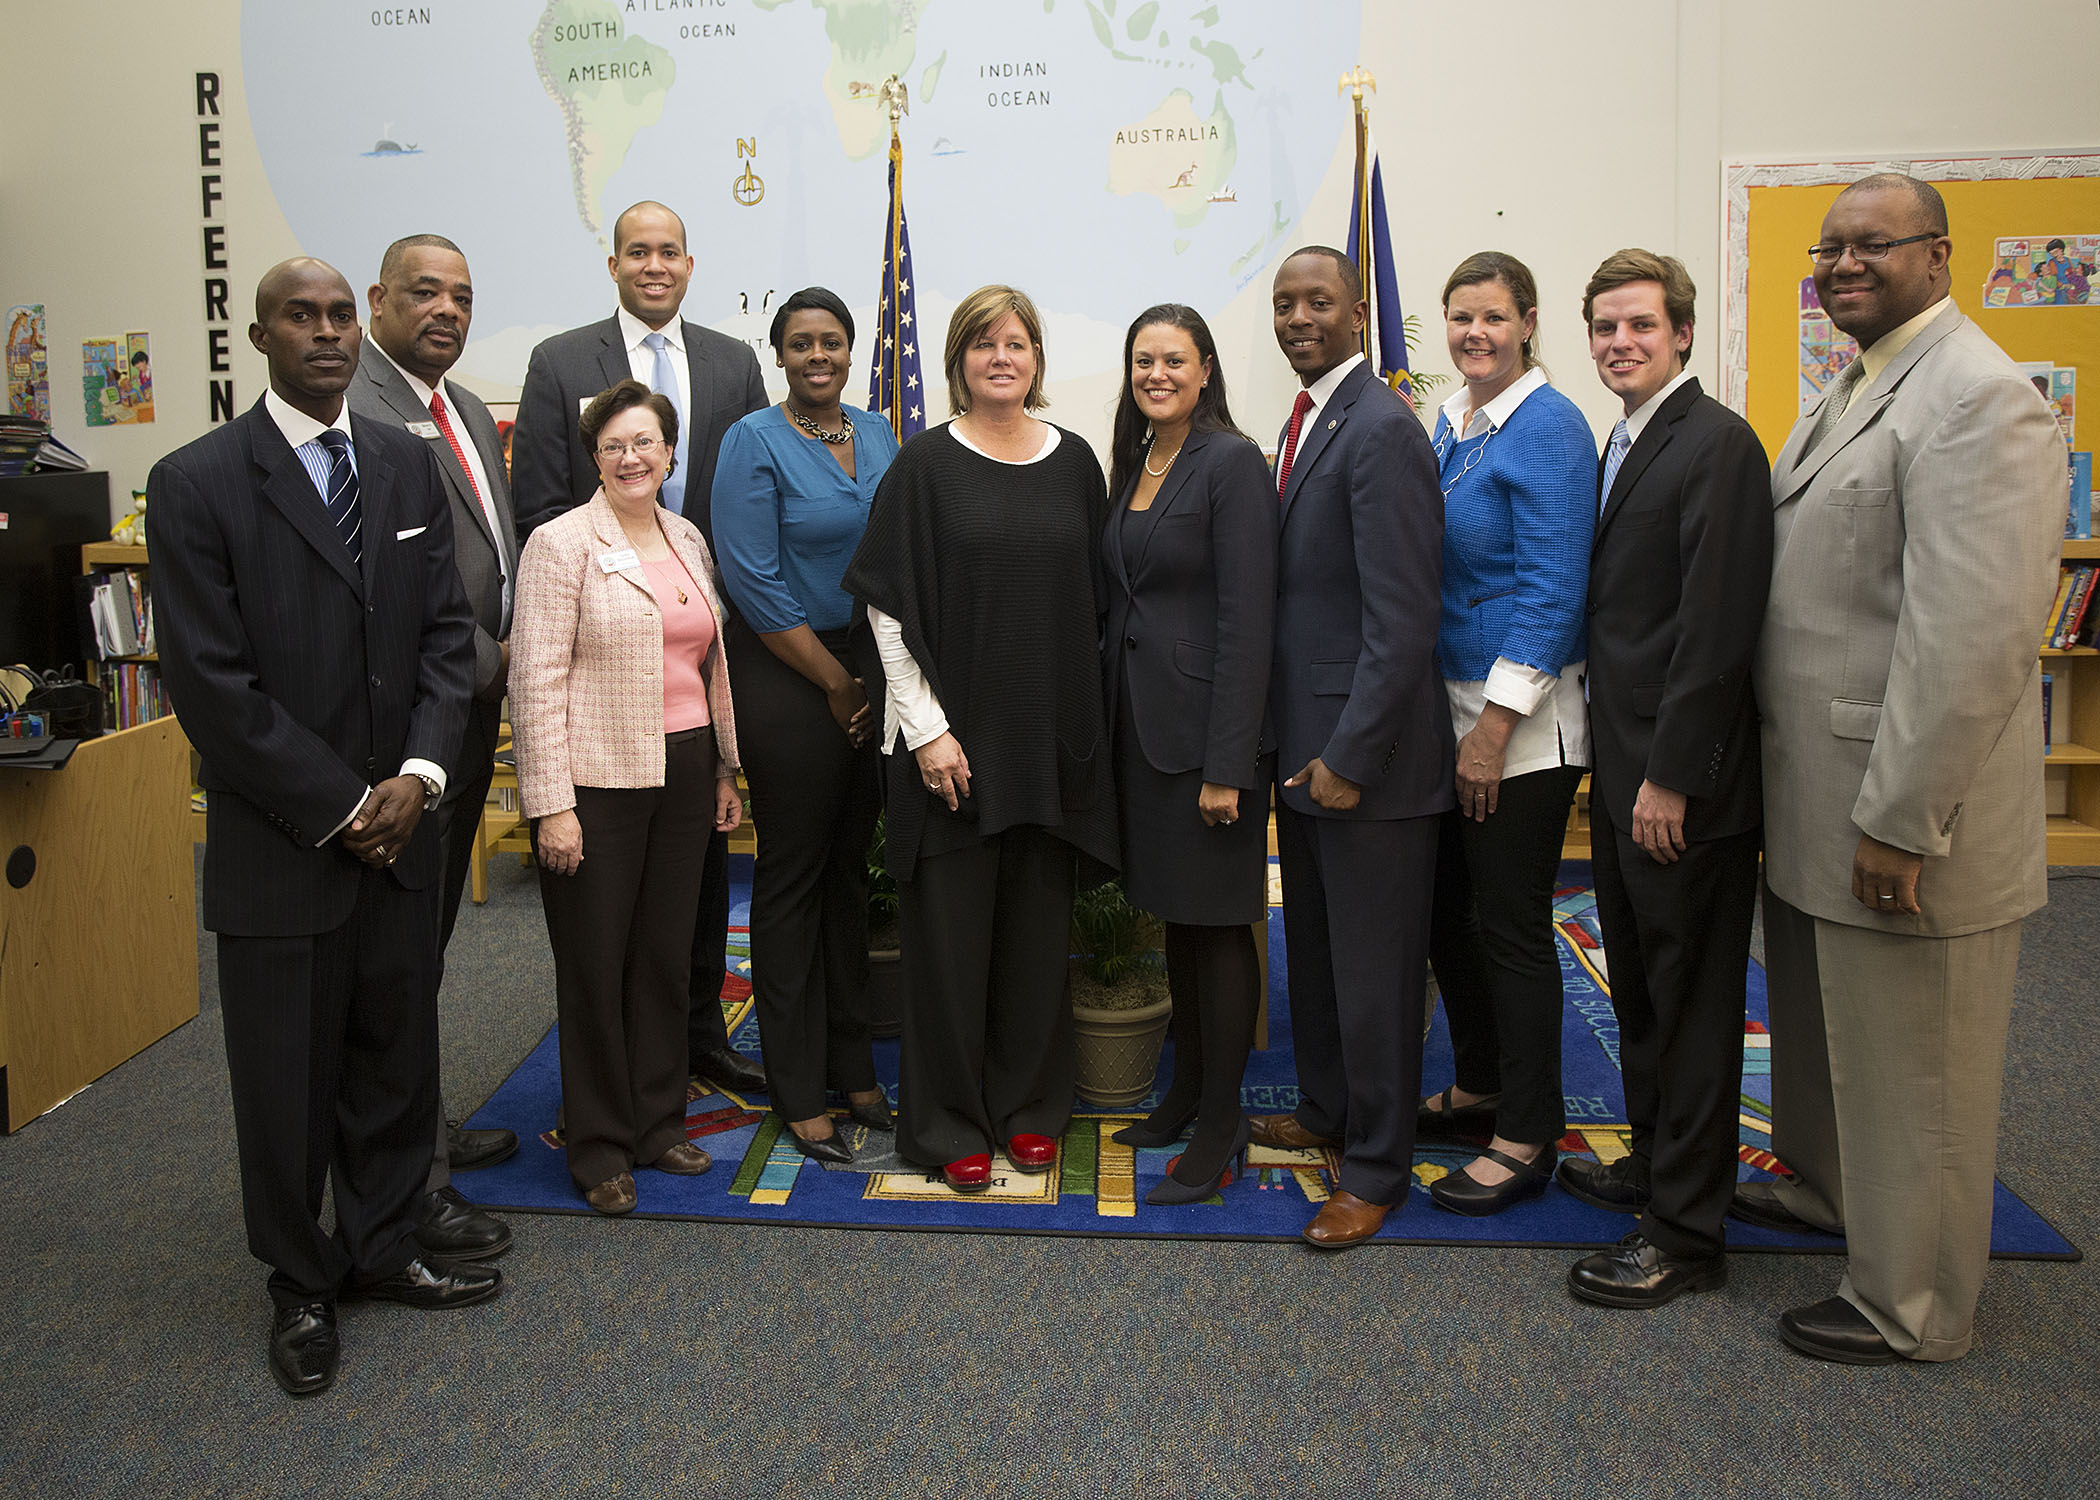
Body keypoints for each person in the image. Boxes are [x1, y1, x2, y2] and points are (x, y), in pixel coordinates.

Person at [146, 258, 496, 1399]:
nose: (330, 333)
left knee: (395, 1051)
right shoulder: (196, 482)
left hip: (407, 824)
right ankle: (299, 1281)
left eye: (343, 315)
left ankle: (386, 1243)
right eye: (304, 316)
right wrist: (342, 803)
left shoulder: (400, 462)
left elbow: (450, 635)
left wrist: (420, 775)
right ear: (261, 336)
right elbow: (211, 685)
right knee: (287, 1075)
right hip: (284, 841)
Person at [1753, 173, 2063, 1364]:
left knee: (1918, 1061)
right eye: (1828, 247)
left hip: (1903, 814)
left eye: (1870, 246)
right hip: (1823, 793)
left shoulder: (1982, 401)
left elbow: (1975, 640)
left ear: (1940, 255)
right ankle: (1835, 1198)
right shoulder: (1861, 386)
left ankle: (1917, 1307)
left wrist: (1901, 819)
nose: (1840, 264)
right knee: (1840, 1039)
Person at [843, 284, 1117, 1194]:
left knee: (1038, 943)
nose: (1003, 358)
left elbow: (1098, 602)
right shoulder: (923, 466)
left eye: (1019, 343)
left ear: (1037, 359)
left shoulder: (1076, 461)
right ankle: (949, 1121)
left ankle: (1032, 1109)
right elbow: (887, 604)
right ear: (958, 360)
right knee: (951, 950)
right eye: (984, 344)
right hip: (952, 750)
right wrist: (927, 731)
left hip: (1047, 746)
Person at [511, 199, 768, 1099]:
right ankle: (616, 1090)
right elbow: (541, 499)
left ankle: (697, 1037)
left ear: (690, 265)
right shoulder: (558, 362)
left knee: (686, 901)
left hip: (697, 656)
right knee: (607, 924)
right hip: (603, 658)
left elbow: (748, 496)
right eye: (636, 252)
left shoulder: (734, 363)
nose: (653, 265)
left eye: (669, 252)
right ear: (613, 263)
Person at [1558, 249, 1772, 1307]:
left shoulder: (1718, 445)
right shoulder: (1628, 438)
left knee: (1689, 1006)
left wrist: (1675, 781)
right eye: (1605, 328)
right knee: (1640, 984)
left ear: (1682, 333)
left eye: (1640, 325)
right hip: (1628, 769)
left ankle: (1686, 1236)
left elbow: (1717, 628)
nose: (1620, 343)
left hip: (1682, 791)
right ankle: (1656, 1168)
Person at [1248, 247, 1450, 1248]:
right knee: (1321, 963)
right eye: (1283, 302)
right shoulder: (1308, 421)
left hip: (1368, 767)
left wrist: (1351, 754)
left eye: (1317, 300)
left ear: (1360, 314)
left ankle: (1374, 1166)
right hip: (1308, 755)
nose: (1296, 317)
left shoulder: (1379, 429)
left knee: (1374, 978)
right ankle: (1327, 1112)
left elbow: (1402, 621)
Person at [510, 378, 745, 1215]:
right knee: (596, 963)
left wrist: (724, 769)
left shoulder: (686, 536)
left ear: (671, 452)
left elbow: (707, 662)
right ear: (594, 458)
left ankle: (656, 1123)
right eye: (614, 445)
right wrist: (552, 804)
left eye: (645, 442)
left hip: (684, 774)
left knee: (664, 956)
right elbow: (533, 681)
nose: (631, 456)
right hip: (597, 781)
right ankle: (600, 1143)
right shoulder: (560, 543)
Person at [349, 232, 520, 1264]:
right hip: (409, 720)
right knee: (397, 959)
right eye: (425, 292)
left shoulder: (453, 403)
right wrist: (491, 651)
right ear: (378, 298)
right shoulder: (359, 406)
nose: (446, 310)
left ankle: (418, 1130)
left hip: (465, 707)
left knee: (430, 945)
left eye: (461, 294)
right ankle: (413, 1183)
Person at [1415, 251, 1594, 1217]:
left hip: (1518, 723)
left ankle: (1528, 1130)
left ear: (1528, 322)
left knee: (1511, 925)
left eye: (1491, 318)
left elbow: (1554, 591)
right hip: (1448, 704)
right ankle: (1480, 1083)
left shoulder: (1551, 428)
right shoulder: (1456, 423)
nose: (1474, 334)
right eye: (1459, 318)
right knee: (1452, 910)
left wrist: (1490, 732)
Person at [711, 287, 899, 1163]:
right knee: (791, 877)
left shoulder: (880, 430)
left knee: (848, 878)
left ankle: (853, 1067)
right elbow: (750, 578)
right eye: (799, 344)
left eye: (831, 342)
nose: (817, 355)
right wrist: (833, 681)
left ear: (850, 350)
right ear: (779, 354)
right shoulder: (752, 439)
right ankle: (796, 1086)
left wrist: (874, 674)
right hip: (789, 670)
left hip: (871, 661)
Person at [1099, 303, 1275, 1205]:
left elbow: (1250, 619)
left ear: (1205, 370)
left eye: (1174, 359)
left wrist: (1229, 763)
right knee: (1176, 917)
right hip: (1143, 734)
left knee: (1217, 926)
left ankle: (1222, 1122)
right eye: (1142, 361)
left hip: (1206, 740)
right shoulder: (1135, 460)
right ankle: (1184, 1092)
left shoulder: (1232, 463)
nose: (1156, 374)